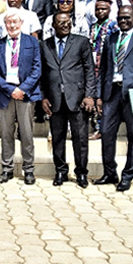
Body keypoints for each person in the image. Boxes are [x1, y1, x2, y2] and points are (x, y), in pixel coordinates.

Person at [94, 6, 133, 192]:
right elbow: (104, 69)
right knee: (106, 132)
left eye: (127, 18)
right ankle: (109, 172)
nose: (123, 21)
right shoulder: (111, 38)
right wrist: (99, 95)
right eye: (120, 18)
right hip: (111, 92)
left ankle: (128, 175)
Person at [40, 13, 96, 188]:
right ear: (53, 25)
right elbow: (41, 74)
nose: (64, 25)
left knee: (80, 138)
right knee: (58, 138)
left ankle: (81, 173)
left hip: (77, 98)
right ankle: (61, 171)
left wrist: (89, 96)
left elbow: (89, 70)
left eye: (67, 22)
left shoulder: (81, 42)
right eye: (60, 23)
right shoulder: (44, 45)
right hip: (54, 99)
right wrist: (43, 97)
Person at [0, 9, 42, 185]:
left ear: (21, 23)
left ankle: (28, 169)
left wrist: (23, 89)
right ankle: (7, 168)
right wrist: (8, 89)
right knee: (6, 133)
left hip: (25, 95)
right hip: (6, 95)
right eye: (8, 22)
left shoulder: (32, 43)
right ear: (4, 25)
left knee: (26, 133)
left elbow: (37, 69)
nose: (12, 25)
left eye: (15, 22)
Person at [88, 0, 119, 140]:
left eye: (103, 9)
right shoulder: (93, 26)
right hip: (93, 66)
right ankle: (97, 127)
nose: (100, 11)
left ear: (109, 10)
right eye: (97, 9)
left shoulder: (114, 26)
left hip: (107, 67)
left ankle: (103, 128)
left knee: (104, 98)